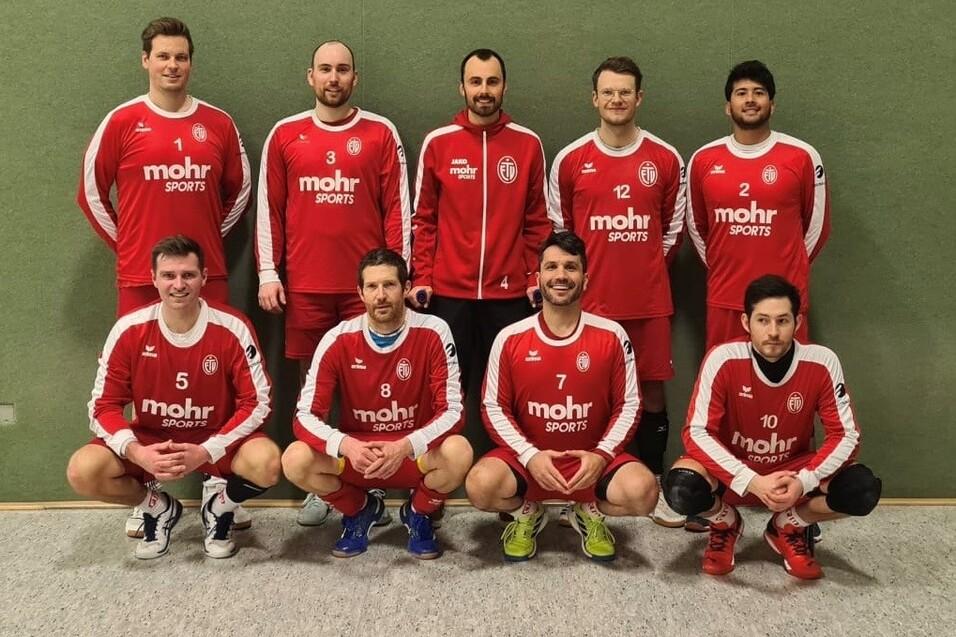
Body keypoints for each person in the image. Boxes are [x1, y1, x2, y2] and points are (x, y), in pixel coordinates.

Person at [75, 17, 253, 536]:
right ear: (145, 61)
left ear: (190, 62)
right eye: (163, 56)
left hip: (208, 277)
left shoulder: (218, 124)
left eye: (181, 57)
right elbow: (91, 194)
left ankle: (218, 486)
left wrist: (206, 248)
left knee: (216, 381)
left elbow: (240, 192)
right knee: (143, 381)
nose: (172, 65)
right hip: (139, 278)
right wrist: (133, 250)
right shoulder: (122, 121)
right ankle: (150, 494)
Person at [255, 40, 411, 525]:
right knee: (313, 389)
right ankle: (322, 486)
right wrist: (268, 272)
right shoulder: (286, 134)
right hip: (305, 286)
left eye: (342, 70)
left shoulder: (380, 132)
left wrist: (400, 278)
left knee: (370, 387)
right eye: (325, 69)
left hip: (368, 291)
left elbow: (398, 209)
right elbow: (269, 208)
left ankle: (372, 479)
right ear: (311, 76)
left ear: (354, 78)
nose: (334, 78)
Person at [65, 236, 279, 560]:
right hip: (152, 441)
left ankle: (220, 508)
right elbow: (102, 406)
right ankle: (157, 507)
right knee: (83, 471)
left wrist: (207, 450)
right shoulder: (129, 329)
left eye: (188, 275)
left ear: (204, 277)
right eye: (168, 275)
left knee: (267, 463)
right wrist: (136, 452)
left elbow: (258, 401)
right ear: (153, 278)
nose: (178, 285)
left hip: (213, 440)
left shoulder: (233, 327)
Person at [662, 275, 881, 579]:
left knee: (862, 490)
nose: (773, 332)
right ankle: (725, 523)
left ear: (797, 321)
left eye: (783, 321)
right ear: (746, 322)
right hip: (734, 468)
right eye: (763, 320)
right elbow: (696, 433)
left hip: (794, 469)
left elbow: (846, 434)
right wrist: (750, 480)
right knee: (680, 488)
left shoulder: (822, 361)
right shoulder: (723, 358)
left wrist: (805, 480)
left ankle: (789, 525)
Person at [550, 56, 685, 528]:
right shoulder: (570, 160)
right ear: (594, 99)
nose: (616, 99)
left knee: (651, 392)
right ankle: (582, 489)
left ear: (639, 97)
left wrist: (641, 267)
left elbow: (673, 231)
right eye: (608, 92)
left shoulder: (665, 158)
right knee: (588, 395)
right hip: (591, 305)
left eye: (625, 91)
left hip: (647, 300)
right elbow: (561, 234)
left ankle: (653, 480)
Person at [465, 231, 658, 562]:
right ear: (538, 278)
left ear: (586, 278)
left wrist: (601, 455)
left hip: (590, 462)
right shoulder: (510, 338)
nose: (561, 275)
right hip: (530, 463)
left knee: (645, 493)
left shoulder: (612, 335)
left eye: (571, 267)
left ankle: (588, 512)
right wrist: (529, 456)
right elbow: (494, 407)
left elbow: (629, 405)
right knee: (480, 486)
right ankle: (528, 513)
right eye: (552, 267)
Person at [282, 248, 473, 559]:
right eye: (371, 286)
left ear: (406, 287)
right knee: (295, 459)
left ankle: (418, 513)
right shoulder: (337, 338)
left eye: (389, 285)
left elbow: (453, 410)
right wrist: (347, 446)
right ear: (360, 292)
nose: (380, 295)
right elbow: (304, 415)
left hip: (412, 455)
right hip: (360, 457)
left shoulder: (434, 330)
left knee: (459, 451)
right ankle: (360, 510)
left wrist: (405, 446)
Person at [408, 48, 553, 396]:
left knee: (510, 391)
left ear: (504, 86)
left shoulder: (528, 143)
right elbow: (423, 221)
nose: (484, 90)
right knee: (446, 392)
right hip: (448, 296)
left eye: (492, 82)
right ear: (462, 87)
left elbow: (538, 222)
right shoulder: (438, 143)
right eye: (475, 82)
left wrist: (533, 277)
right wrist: (422, 277)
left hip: (509, 295)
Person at [686, 60, 830, 351]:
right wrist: (724, 268)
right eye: (741, 93)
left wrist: (789, 269)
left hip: (784, 303)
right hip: (726, 298)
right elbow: (697, 228)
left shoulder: (802, 156)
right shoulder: (703, 160)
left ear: (772, 105)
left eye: (759, 92)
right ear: (728, 106)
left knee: (788, 377)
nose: (750, 99)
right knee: (725, 376)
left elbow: (817, 228)